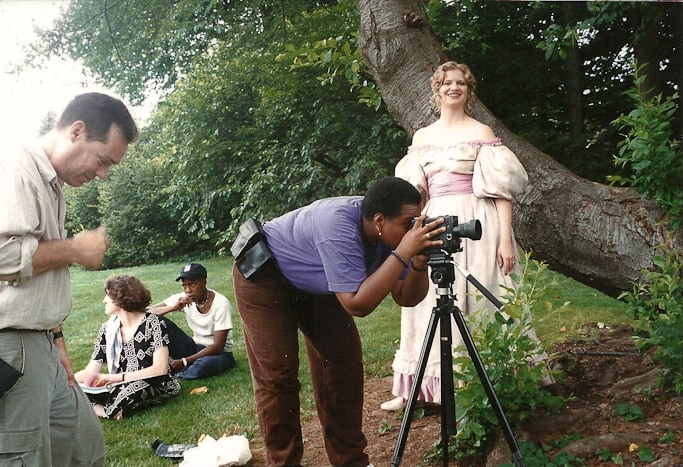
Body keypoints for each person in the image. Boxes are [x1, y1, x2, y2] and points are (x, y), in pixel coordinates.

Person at [232, 176, 448, 467]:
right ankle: (283, 463)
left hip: (318, 281)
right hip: (265, 273)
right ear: (380, 220)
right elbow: (357, 304)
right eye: (408, 223)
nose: (413, 230)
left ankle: (350, 461)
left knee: (342, 363)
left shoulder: (391, 234)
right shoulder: (338, 226)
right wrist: (405, 251)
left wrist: (418, 264)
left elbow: (405, 297)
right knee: (277, 376)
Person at [381, 61, 552, 412]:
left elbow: (501, 193)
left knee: (480, 293)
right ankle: (416, 385)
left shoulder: (482, 132)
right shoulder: (422, 138)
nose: (454, 88)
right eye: (447, 83)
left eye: (461, 83)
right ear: (437, 90)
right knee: (429, 294)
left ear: (469, 90)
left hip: (478, 220)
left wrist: (506, 240)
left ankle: (491, 378)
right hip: (435, 219)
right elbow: (417, 195)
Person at [0, 92, 138, 466]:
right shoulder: (14, 169)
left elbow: (37, 277)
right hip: (8, 350)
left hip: (44, 348)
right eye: (102, 161)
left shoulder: (52, 184)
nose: (102, 174)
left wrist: (57, 341)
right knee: (22, 459)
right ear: (77, 131)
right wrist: (73, 249)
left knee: (84, 450)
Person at [75, 275, 180, 420]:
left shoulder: (153, 323)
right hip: (118, 383)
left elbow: (160, 369)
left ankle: (102, 410)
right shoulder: (107, 329)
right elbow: (91, 371)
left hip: (153, 381)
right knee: (75, 391)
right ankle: (111, 411)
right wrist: (69, 381)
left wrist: (112, 377)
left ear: (121, 299)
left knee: (129, 391)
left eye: (107, 295)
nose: (104, 300)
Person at [150, 263, 236, 380]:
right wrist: (172, 307)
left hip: (219, 354)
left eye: (192, 284)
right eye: (184, 286)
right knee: (157, 321)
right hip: (194, 347)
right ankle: (168, 367)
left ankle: (178, 371)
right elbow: (145, 313)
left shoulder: (221, 304)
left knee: (203, 366)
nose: (188, 290)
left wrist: (185, 361)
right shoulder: (183, 298)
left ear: (204, 282)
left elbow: (218, 346)